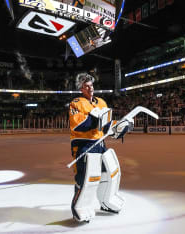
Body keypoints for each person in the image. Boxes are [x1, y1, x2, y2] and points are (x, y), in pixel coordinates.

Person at [68, 73, 125, 222]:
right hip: (84, 145)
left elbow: (106, 126)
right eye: (86, 86)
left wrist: (119, 127)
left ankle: (107, 200)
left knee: (110, 173)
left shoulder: (101, 102)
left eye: (91, 85)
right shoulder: (76, 103)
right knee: (86, 177)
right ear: (81, 88)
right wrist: (94, 119)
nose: (90, 88)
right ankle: (79, 207)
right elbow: (78, 125)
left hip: (100, 143)